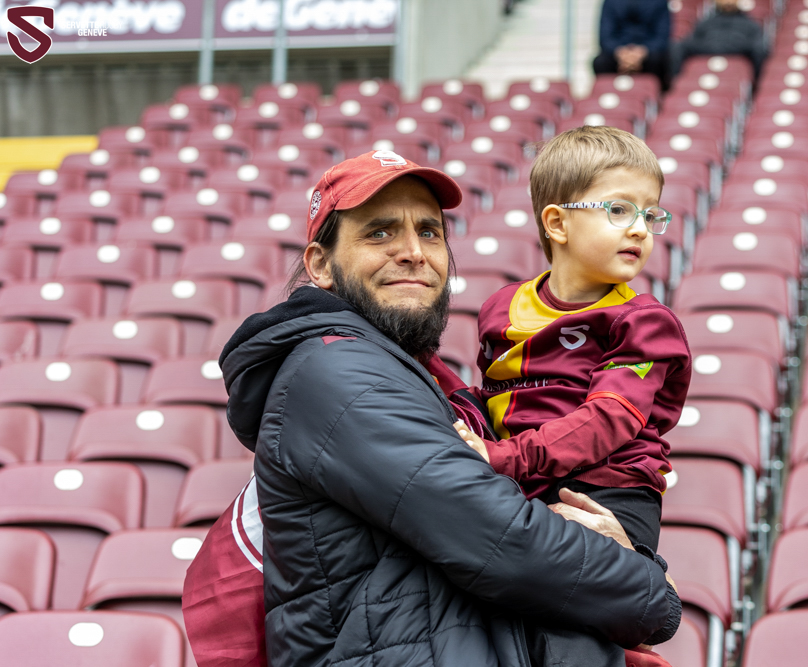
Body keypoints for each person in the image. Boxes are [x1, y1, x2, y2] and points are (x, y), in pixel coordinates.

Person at [190, 149, 681, 667]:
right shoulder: (337, 372)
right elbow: (501, 539)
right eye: (379, 233)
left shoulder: (400, 372)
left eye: (429, 232)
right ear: (320, 265)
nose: (413, 252)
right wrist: (656, 594)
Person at [455, 126, 690, 657]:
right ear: (557, 223)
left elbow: (610, 419)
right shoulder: (500, 308)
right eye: (619, 210)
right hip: (522, 480)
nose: (641, 229)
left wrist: (502, 458)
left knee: (576, 635)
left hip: (607, 488)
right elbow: (494, 396)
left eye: (650, 214)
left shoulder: (645, 322)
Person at [672, 0, 769, 79]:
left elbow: (759, 50)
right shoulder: (705, 23)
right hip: (707, 51)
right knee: (676, 47)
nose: (728, 2)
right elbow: (689, 44)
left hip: (737, 56)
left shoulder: (751, 25)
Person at [593, 0, 673, 91]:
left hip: (648, 52)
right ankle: (606, 94)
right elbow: (605, 38)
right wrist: (622, 53)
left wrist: (641, 53)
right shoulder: (610, 2)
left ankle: (658, 96)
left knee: (658, 61)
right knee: (600, 62)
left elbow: (662, 38)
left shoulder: (659, 2)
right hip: (618, 52)